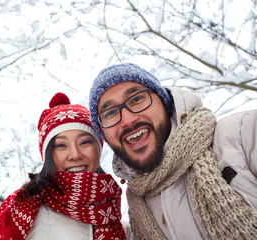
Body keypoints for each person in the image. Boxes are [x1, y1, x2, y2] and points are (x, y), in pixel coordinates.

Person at [88, 63, 257, 240]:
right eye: (109, 113)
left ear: (163, 101)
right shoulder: (136, 218)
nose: (128, 120)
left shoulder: (239, 134)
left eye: (137, 99)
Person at [0, 92, 130, 240]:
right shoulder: (24, 211)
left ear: (98, 149)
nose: (75, 154)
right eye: (61, 145)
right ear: (48, 155)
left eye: (84, 142)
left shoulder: (121, 225)